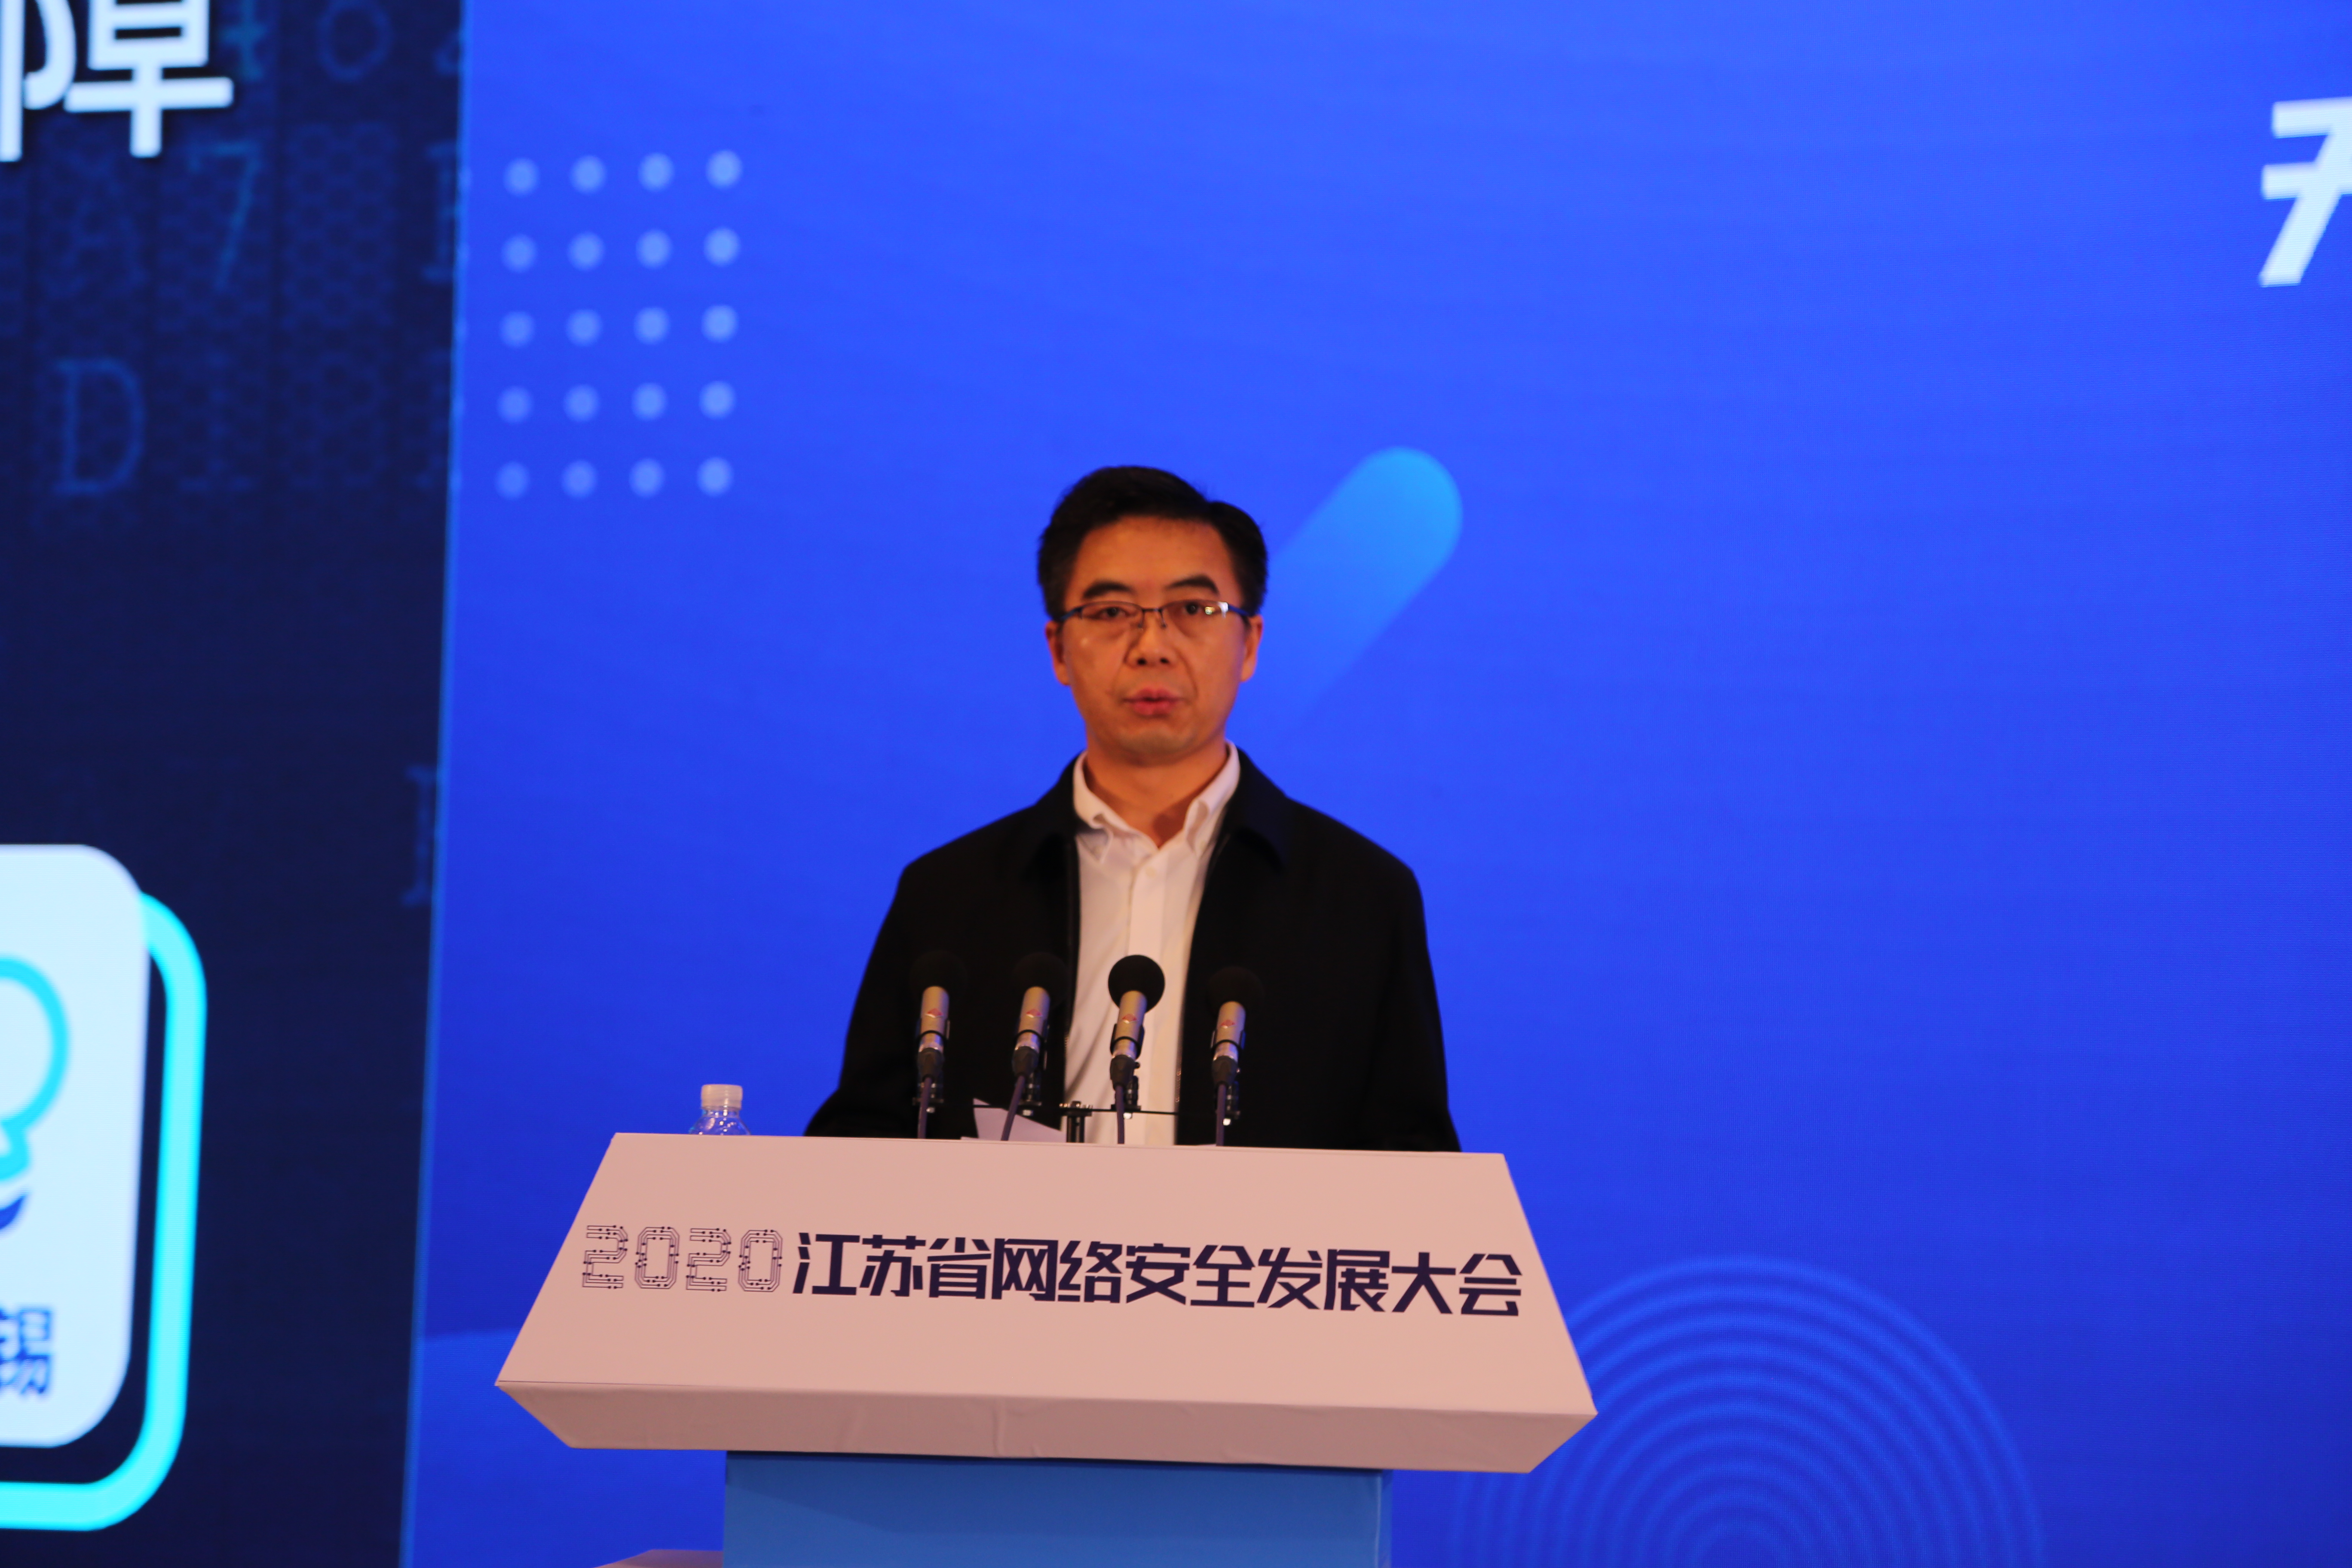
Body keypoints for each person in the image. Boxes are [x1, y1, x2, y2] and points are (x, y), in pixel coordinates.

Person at [805, 466, 1458, 1150]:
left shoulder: (1359, 896)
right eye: (1112, 612)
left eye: (1193, 610)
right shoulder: (949, 894)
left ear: (1251, 645)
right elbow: (863, 1140)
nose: (1152, 647)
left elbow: (1412, 1162)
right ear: (1059, 649)